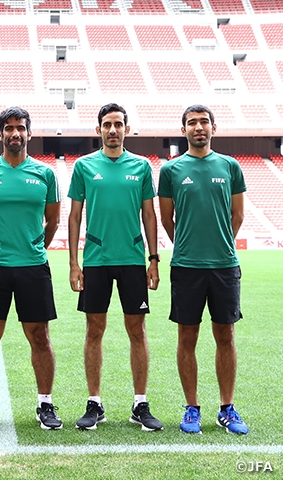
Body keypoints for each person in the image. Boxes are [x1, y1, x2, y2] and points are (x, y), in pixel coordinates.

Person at [0, 106, 63, 430]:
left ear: (29, 133)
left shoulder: (45, 174)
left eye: (20, 128)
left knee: (39, 335)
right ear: (0, 134)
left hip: (33, 266)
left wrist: (33, 247)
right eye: (8, 128)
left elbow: (53, 220)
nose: (14, 133)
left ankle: (45, 404)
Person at [68, 103, 163, 432]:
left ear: (126, 129)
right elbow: (75, 216)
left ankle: (140, 403)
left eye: (118, 124)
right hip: (95, 262)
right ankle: (94, 402)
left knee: (137, 331)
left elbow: (150, 215)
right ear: (98, 130)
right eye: (107, 124)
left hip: (133, 262)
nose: (112, 130)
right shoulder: (83, 167)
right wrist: (73, 263)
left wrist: (153, 259)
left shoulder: (141, 166)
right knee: (94, 331)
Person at [158, 105, 248, 435]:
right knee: (187, 337)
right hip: (186, 266)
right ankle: (192, 408)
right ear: (183, 130)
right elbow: (168, 220)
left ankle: (227, 408)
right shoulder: (171, 170)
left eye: (204, 122)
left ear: (213, 127)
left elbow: (237, 216)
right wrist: (188, 244)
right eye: (192, 122)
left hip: (225, 265)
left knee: (225, 335)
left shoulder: (230, 166)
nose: (199, 127)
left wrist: (219, 243)